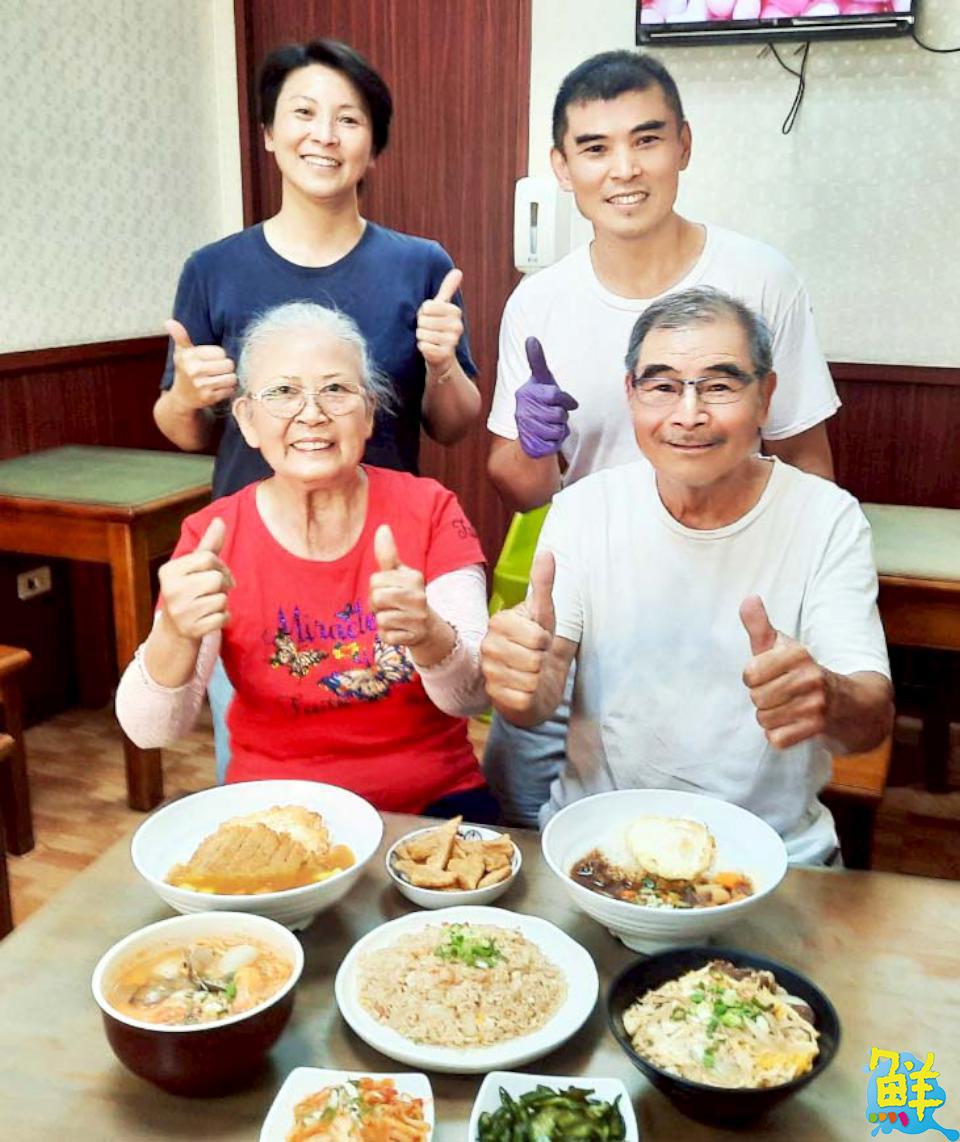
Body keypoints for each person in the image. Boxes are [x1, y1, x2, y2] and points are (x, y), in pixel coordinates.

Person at [484, 49, 841, 824]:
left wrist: (821, 594)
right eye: (595, 148)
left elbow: (810, 462)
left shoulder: (760, 278)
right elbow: (519, 488)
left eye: (647, 140)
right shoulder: (538, 302)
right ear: (562, 165)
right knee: (521, 803)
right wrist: (536, 442)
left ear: (684, 144)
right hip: (577, 603)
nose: (624, 170)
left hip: (719, 605)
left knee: (713, 822)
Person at [152, 39, 482, 779]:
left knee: (409, 743)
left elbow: (453, 424)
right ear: (268, 134)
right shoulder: (213, 268)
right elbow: (181, 431)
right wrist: (183, 394)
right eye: (302, 114)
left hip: (386, 555)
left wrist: (439, 363)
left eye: (349, 119)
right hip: (255, 559)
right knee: (269, 751)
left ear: (374, 147)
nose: (323, 136)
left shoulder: (419, 264)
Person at [480, 288, 892, 864]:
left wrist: (827, 695)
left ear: (766, 395)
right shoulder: (582, 509)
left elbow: (870, 721)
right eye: (663, 385)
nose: (688, 413)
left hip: (772, 856)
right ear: (631, 394)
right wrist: (518, 681)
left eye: (720, 385)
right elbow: (537, 699)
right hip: (598, 850)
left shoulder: (826, 518)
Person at [118, 302, 494, 819]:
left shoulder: (430, 510)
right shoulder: (213, 536)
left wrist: (429, 634)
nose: (311, 412)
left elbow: (471, 696)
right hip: (274, 812)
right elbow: (151, 730)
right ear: (247, 421)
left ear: (368, 415)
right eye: (283, 392)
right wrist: (173, 636)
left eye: (336, 390)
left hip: (431, 805)